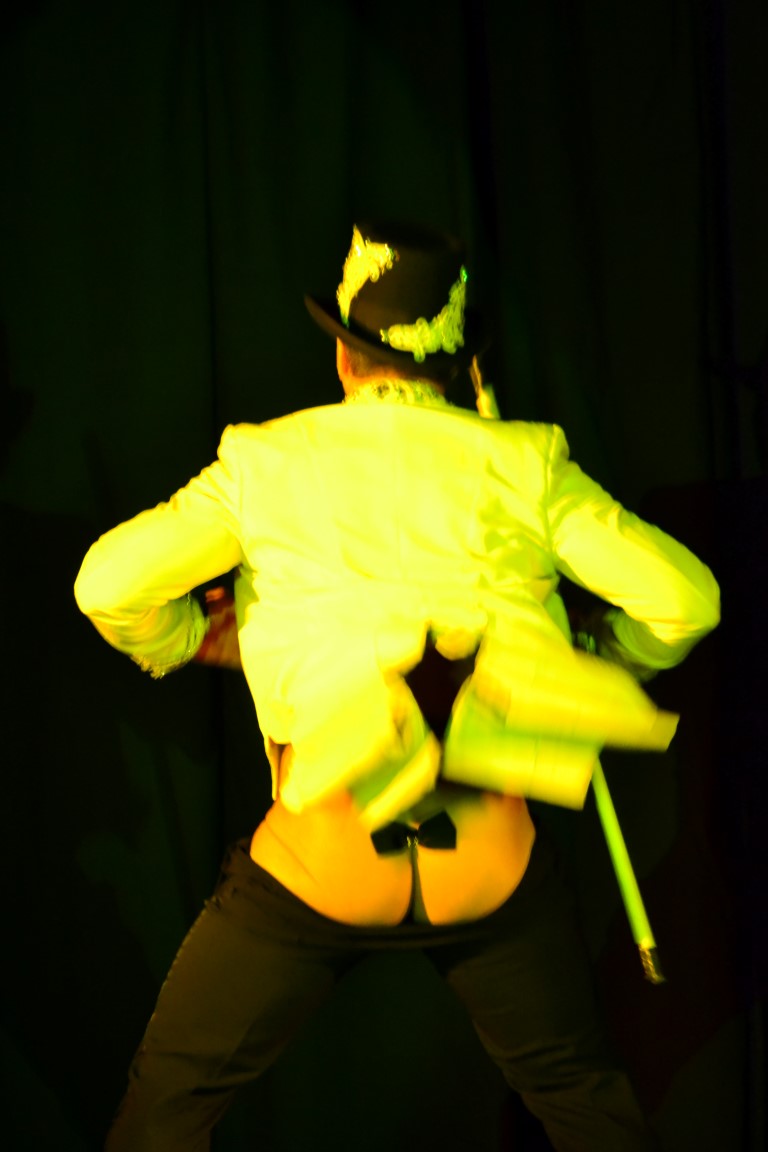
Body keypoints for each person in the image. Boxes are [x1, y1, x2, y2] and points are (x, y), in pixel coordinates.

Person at [75, 221, 720, 1152]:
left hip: (322, 864)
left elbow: (105, 586)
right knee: (585, 1101)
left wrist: (188, 638)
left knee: (166, 1107)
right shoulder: (527, 462)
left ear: (344, 355)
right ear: (453, 366)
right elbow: (688, 602)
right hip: (491, 877)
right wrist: (598, 654)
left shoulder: (266, 464)